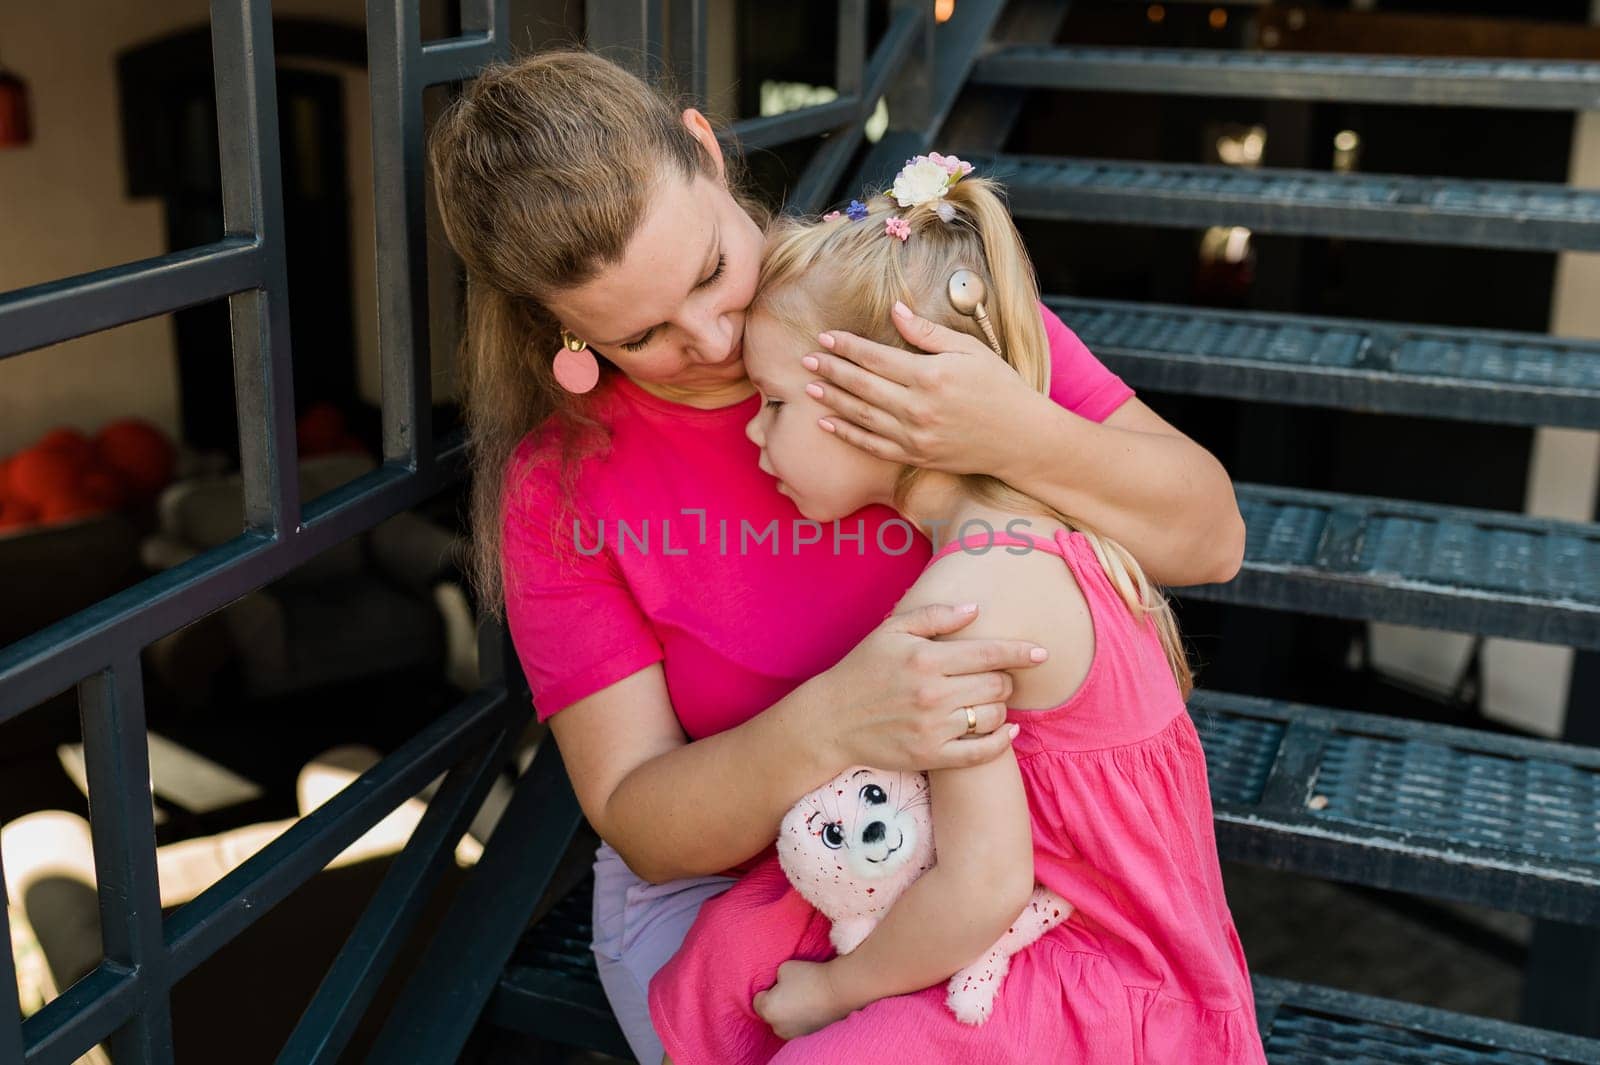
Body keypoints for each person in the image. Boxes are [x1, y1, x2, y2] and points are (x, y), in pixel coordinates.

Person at [426, 49, 1245, 1065]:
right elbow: (642, 819)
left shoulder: (879, 307)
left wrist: (1011, 432)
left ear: (704, 149)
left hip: (993, 855)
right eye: (645, 335)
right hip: (736, 879)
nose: (715, 337)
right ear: (562, 328)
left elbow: (1210, 542)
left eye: (712, 272)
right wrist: (835, 721)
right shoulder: (562, 482)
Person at [647, 159, 1267, 1064]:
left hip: (1103, 970)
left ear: (875, 400)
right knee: (728, 952)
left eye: (774, 403)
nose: (753, 431)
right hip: (1053, 917)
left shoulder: (970, 595)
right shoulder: (1023, 529)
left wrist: (833, 992)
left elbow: (983, 884)